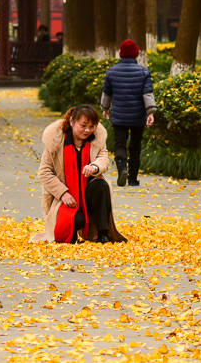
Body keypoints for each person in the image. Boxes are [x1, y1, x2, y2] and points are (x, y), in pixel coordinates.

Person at [33, 104, 126, 244]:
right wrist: (63, 193)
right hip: (66, 196)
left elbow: (104, 159)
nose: (87, 130)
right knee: (74, 222)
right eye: (83, 126)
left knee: (101, 185)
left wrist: (95, 167)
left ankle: (103, 233)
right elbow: (44, 172)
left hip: (88, 192)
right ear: (72, 122)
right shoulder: (56, 141)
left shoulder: (96, 140)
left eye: (92, 126)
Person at [101, 39, 156, 187]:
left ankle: (122, 169)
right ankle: (132, 179)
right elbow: (147, 94)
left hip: (119, 116)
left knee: (120, 144)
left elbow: (107, 93)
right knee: (135, 146)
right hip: (138, 116)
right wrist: (150, 112)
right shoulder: (144, 72)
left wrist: (105, 109)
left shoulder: (111, 72)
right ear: (136, 54)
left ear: (121, 54)